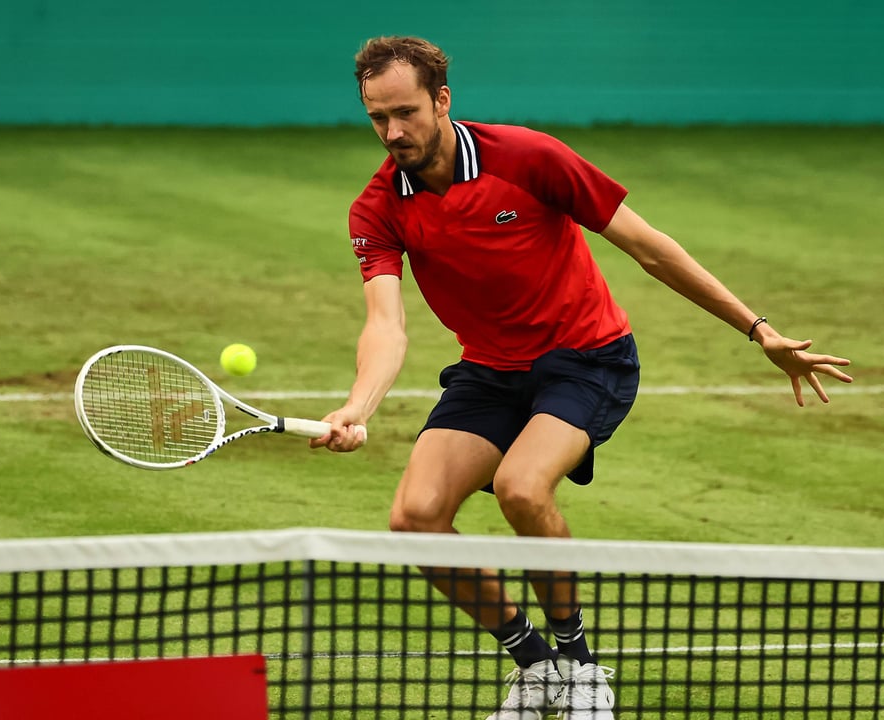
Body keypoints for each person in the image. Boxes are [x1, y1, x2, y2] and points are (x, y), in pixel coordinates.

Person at [310, 35, 853, 720]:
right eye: (377, 118)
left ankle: (581, 665)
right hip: (490, 369)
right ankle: (536, 666)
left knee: (521, 487)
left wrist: (758, 329)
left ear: (442, 100)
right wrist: (358, 406)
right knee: (415, 518)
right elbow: (386, 325)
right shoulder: (379, 206)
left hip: (588, 357)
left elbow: (650, 249)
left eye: (406, 112)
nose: (393, 132)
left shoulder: (529, 158)